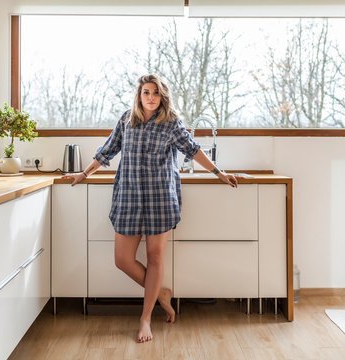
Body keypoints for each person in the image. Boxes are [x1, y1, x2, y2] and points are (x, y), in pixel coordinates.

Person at [62, 74, 238, 343]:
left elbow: (193, 150)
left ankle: (146, 319)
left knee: (155, 258)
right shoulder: (126, 120)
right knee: (122, 259)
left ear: (162, 96)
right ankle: (161, 293)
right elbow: (106, 151)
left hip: (160, 198)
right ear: (139, 95)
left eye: (156, 92)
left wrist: (219, 173)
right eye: (146, 92)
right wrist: (83, 174)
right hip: (129, 197)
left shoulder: (171, 124)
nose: (151, 97)